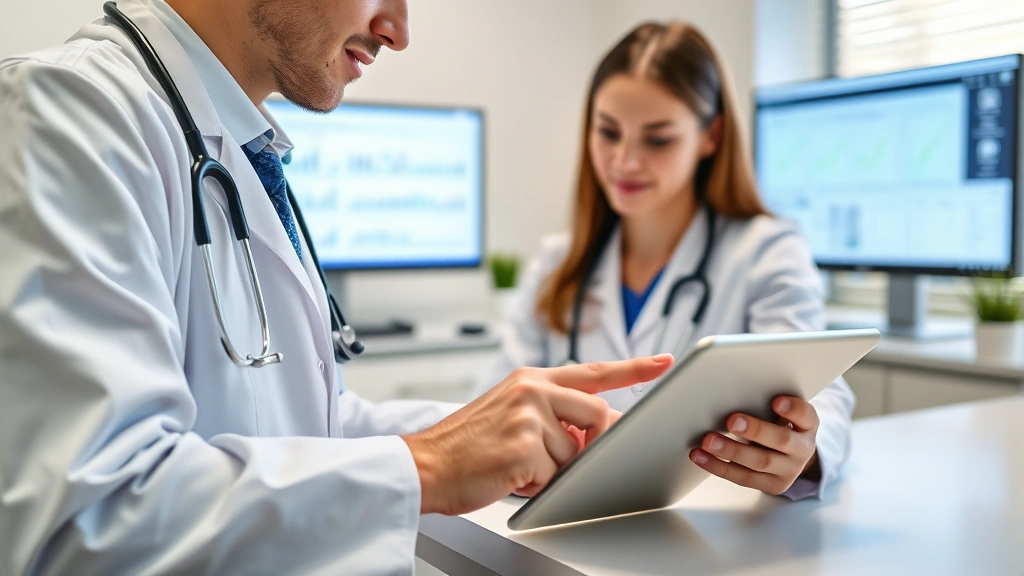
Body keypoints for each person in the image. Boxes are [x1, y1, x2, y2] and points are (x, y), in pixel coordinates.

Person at [0, 1, 675, 573]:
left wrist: (512, 432)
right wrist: (430, 464)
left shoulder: (233, 147)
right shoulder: (68, 113)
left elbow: (305, 427)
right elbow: (84, 525)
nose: (397, 29)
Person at [482, 22, 855, 500]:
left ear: (710, 136)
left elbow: (823, 394)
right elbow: (494, 406)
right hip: (564, 521)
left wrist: (805, 449)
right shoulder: (558, 263)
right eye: (608, 132)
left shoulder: (765, 250)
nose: (625, 161)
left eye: (657, 139)